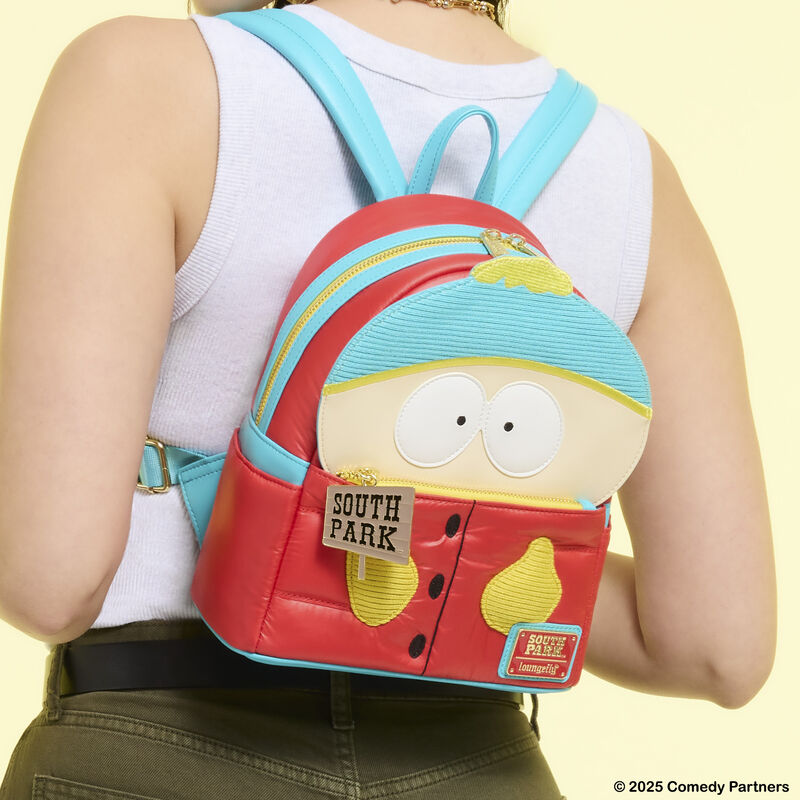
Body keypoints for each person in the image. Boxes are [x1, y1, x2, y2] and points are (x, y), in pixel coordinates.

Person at [0, 0, 777, 797]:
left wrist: (311, 530)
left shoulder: (141, 81)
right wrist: (470, 551)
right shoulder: (630, 171)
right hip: (481, 767)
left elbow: (50, 584)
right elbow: (715, 646)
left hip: (157, 748)